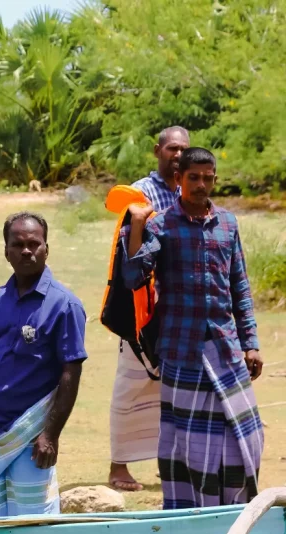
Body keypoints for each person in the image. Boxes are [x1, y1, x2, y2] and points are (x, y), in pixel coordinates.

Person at [123, 147, 264, 509]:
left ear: (215, 178)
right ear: (178, 181)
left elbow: (240, 288)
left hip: (225, 349)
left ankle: (234, 508)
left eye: (207, 177)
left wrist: (251, 343)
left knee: (244, 434)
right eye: (193, 178)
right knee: (185, 442)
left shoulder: (229, 224)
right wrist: (137, 226)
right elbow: (133, 277)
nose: (201, 185)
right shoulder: (161, 225)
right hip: (181, 352)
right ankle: (188, 512)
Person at [0, 212, 87, 516]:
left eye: (34, 243)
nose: (27, 250)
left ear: (46, 249)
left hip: (30, 438)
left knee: (33, 523)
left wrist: (50, 435)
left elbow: (72, 372)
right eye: (18, 244)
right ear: (6, 252)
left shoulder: (64, 304)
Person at [108, 126, 190, 492]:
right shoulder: (140, 192)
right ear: (157, 150)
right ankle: (118, 466)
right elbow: (128, 248)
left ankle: (169, 462)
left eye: (183, 149)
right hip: (143, 304)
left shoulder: (187, 189)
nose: (177, 154)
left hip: (179, 302)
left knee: (173, 389)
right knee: (130, 383)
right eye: (172, 148)